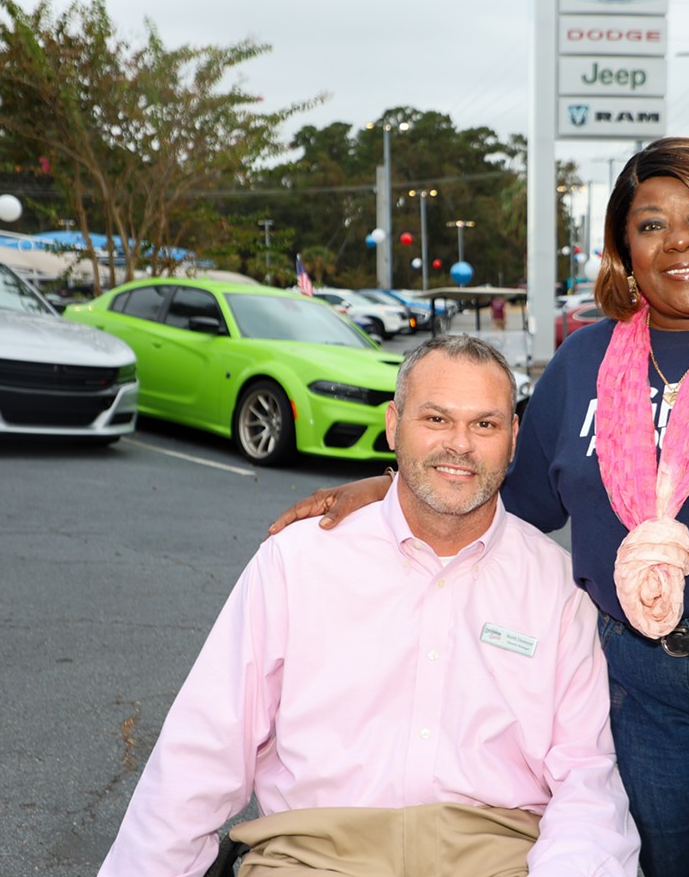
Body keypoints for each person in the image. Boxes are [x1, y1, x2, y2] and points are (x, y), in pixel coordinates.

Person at [270, 137, 689, 877]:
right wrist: (391, 490)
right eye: (650, 224)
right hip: (637, 687)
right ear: (623, 251)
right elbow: (501, 500)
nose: (678, 241)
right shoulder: (583, 363)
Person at [100, 335, 640, 877]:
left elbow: (586, 780)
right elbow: (204, 748)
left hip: (495, 860)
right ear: (392, 424)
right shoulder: (299, 561)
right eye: (435, 419)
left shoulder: (556, 586)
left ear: (514, 437)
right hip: (312, 859)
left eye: (485, 424)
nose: (460, 445)